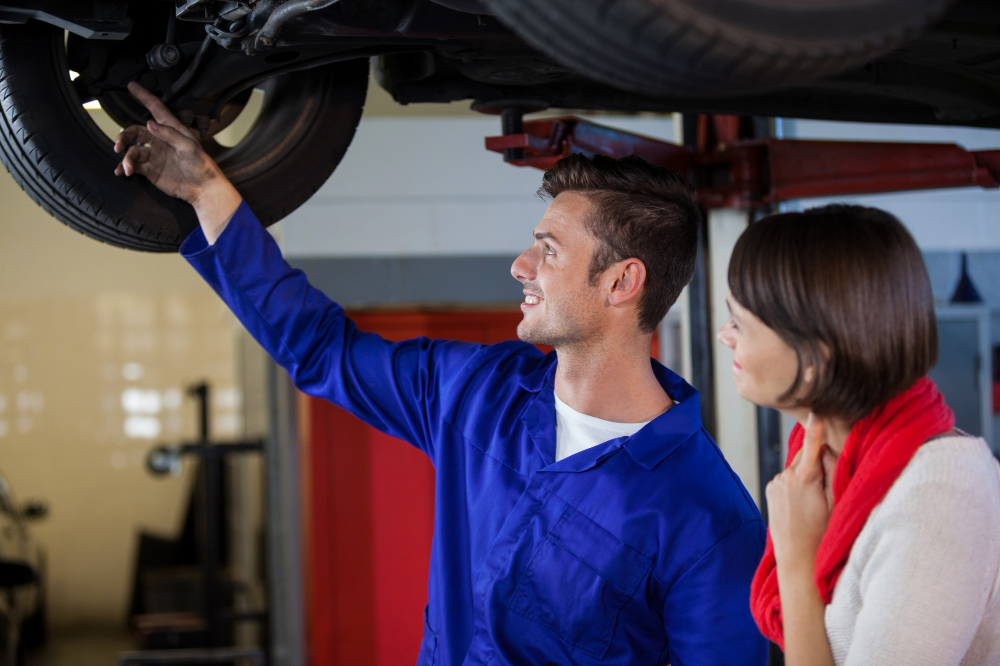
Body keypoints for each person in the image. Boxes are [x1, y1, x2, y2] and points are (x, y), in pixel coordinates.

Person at [115, 81, 767, 665]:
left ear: (622, 282)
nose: (520, 265)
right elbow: (319, 347)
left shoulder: (709, 519)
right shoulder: (478, 393)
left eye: (547, 250)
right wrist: (206, 190)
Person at [716, 204, 1000, 666]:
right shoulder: (824, 460)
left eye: (740, 323)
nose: (725, 336)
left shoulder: (941, 490)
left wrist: (796, 560)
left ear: (815, 358)